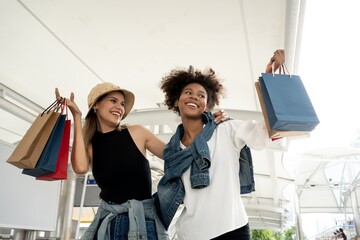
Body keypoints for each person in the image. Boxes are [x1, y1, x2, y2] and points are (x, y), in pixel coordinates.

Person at [55, 82, 227, 239]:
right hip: (110, 223)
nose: (119, 107)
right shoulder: (90, 147)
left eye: (122, 104)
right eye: (113, 101)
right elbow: (79, 168)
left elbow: (175, 155)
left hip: (144, 221)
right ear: (96, 105)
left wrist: (207, 126)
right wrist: (77, 116)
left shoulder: (137, 133)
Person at [154, 50, 285, 240]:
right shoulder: (173, 151)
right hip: (190, 234)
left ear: (207, 105)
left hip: (232, 229)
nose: (193, 97)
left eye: (201, 95)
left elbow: (264, 135)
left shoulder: (226, 129)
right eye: (188, 93)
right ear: (176, 100)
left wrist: (272, 82)